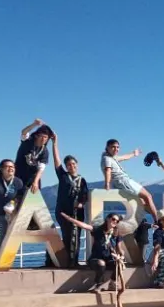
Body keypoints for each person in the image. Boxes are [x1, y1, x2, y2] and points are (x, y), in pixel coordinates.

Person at [55, 212, 128, 292]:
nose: (115, 222)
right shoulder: (98, 230)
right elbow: (83, 225)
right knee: (101, 263)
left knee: (119, 264)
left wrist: (121, 254)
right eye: (113, 219)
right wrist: (69, 218)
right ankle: (98, 285)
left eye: (117, 221)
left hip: (109, 259)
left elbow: (120, 248)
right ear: (107, 218)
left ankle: (112, 283)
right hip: (95, 260)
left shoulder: (116, 234)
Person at [100, 139, 161, 224]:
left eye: (117, 147)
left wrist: (133, 154)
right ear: (107, 147)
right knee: (148, 196)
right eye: (113, 147)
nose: (116, 149)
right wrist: (107, 184)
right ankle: (158, 221)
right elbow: (108, 170)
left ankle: (150, 218)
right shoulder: (107, 159)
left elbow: (124, 157)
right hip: (124, 181)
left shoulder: (111, 157)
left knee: (142, 202)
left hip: (122, 183)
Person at [51, 135, 89, 266]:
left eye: (73, 164)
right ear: (66, 167)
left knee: (76, 237)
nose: (71, 166)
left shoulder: (82, 180)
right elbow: (56, 161)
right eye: (69, 164)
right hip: (63, 212)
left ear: (77, 165)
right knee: (67, 236)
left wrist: (81, 203)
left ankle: (74, 261)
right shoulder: (63, 176)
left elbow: (85, 195)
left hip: (77, 213)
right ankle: (66, 261)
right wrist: (55, 143)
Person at [15, 119, 52, 194]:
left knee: (34, 190)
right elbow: (24, 132)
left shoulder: (45, 151)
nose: (43, 139)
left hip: (32, 177)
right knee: (17, 195)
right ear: (36, 135)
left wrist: (36, 181)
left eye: (46, 137)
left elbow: (41, 168)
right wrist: (34, 124)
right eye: (41, 136)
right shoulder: (28, 141)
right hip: (19, 173)